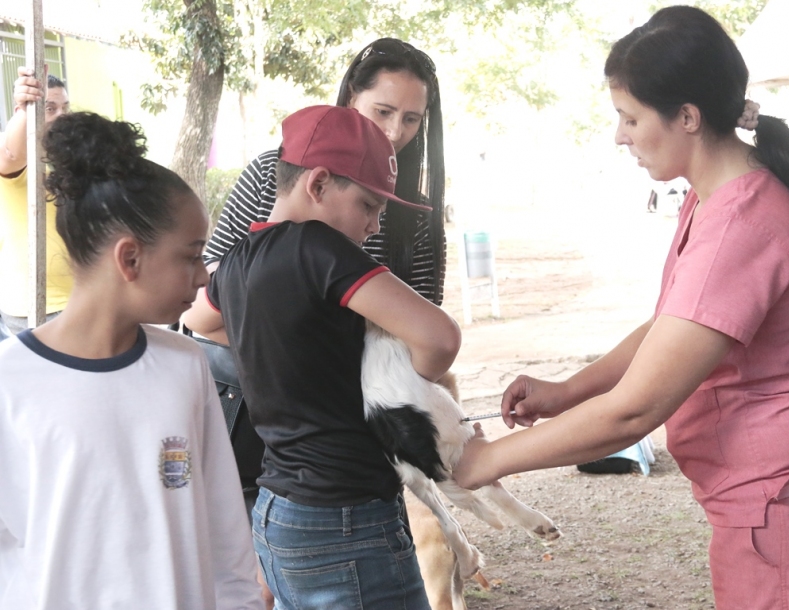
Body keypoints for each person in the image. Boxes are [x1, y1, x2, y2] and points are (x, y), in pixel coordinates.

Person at [453, 6, 789, 610]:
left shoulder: (741, 224)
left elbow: (632, 415)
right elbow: (676, 324)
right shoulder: (716, 193)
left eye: (630, 117)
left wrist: (484, 462)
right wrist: (567, 390)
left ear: (688, 116)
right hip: (777, 502)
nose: (619, 135)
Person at [184, 105, 461, 609]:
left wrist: (282, 346)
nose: (376, 226)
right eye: (368, 205)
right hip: (344, 514)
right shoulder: (320, 248)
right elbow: (440, 339)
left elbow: (200, 321)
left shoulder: (240, 258)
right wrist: (398, 382)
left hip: (278, 509)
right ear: (318, 184)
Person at [0, 112, 263, 609]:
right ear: (130, 259)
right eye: (192, 256)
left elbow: (227, 541)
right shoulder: (8, 382)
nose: (205, 277)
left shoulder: (185, 366)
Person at [200, 36, 445, 516]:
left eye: (411, 118)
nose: (396, 132)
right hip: (254, 396)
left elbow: (425, 321)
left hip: (356, 413)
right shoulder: (278, 172)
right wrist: (287, 349)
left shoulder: (410, 210)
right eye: (383, 111)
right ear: (351, 97)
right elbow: (217, 278)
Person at [0, 67, 74, 334]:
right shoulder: (18, 155)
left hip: (78, 299)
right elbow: (10, 154)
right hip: (38, 308)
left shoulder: (66, 159)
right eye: (49, 108)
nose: (61, 116)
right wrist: (23, 108)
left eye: (65, 107)